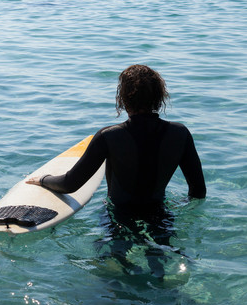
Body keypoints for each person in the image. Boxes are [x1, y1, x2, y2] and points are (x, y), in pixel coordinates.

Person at [26, 64, 206, 277]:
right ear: (159, 98)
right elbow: (198, 192)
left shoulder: (108, 136)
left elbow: (69, 184)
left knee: (118, 269)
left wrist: (43, 179)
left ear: (122, 99)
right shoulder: (181, 133)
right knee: (160, 267)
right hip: (160, 215)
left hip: (118, 217)